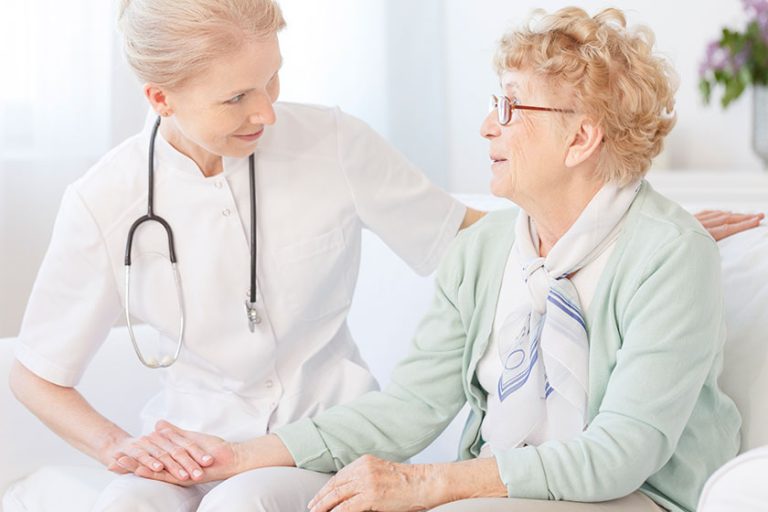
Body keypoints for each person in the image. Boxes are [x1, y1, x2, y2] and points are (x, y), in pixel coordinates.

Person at [122, 7, 742, 512]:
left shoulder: (668, 256)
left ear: (580, 138)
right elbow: (409, 410)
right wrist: (237, 457)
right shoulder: (485, 250)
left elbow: (621, 454)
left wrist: (431, 484)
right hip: (502, 490)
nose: (487, 126)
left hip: (636, 497)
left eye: (511, 107)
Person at [7, 0, 483, 510]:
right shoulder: (103, 199)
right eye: (236, 98)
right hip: (191, 449)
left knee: (242, 503)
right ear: (161, 97)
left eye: (271, 78)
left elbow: (472, 242)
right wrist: (117, 445)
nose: (266, 112)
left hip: (321, 444)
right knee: (125, 505)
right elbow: (35, 373)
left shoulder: (332, 143)